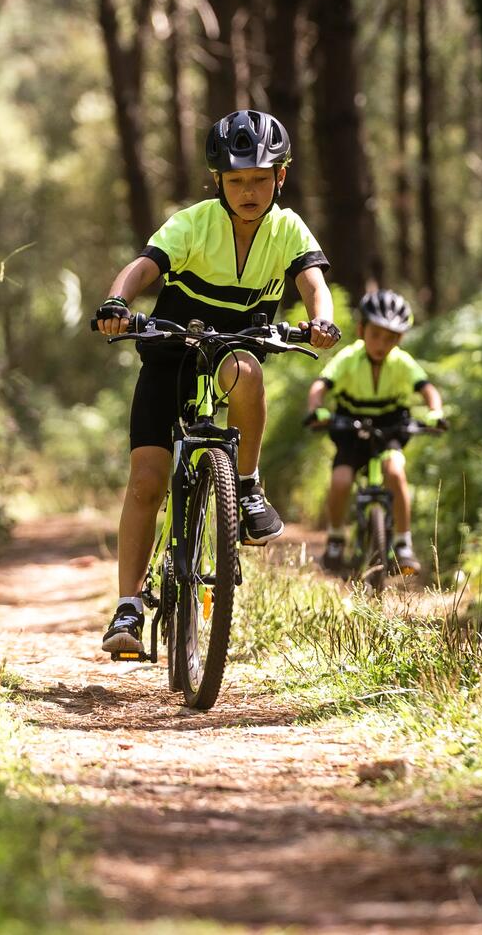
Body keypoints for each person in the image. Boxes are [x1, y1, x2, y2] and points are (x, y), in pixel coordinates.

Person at [94, 109, 340, 657]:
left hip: (236, 348)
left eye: (260, 178)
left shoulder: (287, 228)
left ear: (280, 177)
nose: (249, 191)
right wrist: (117, 302)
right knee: (146, 482)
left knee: (247, 372)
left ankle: (246, 484)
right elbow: (144, 266)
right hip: (170, 353)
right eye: (236, 180)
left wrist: (320, 319)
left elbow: (313, 283)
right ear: (219, 182)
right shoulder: (193, 223)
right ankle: (128, 606)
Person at [303, 289, 446, 575]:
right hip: (350, 428)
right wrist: (316, 408)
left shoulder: (402, 362)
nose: (382, 344)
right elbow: (321, 385)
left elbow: (427, 389)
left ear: (400, 339)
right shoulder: (348, 357)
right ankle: (335, 537)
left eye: (391, 338)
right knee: (342, 480)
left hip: (390, 427)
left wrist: (435, 412)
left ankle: (404, 543)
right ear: (361, 330)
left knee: (395, 472)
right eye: (376, 335)